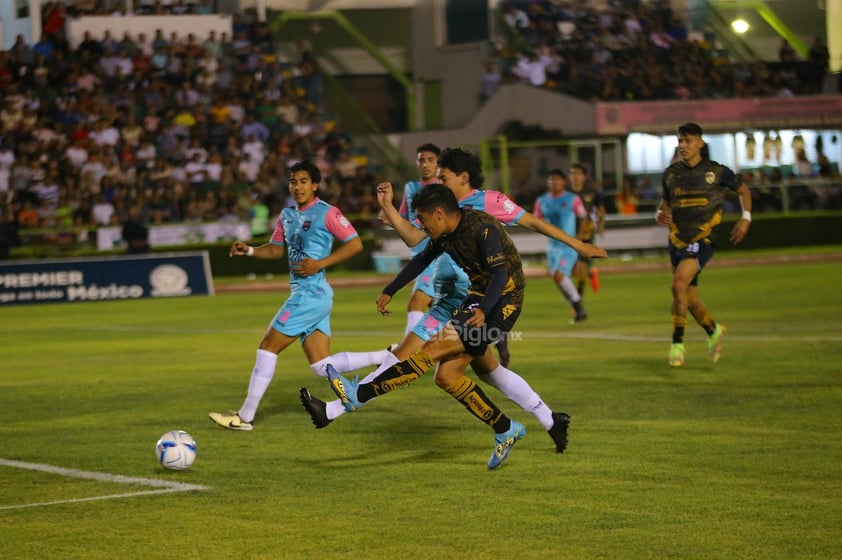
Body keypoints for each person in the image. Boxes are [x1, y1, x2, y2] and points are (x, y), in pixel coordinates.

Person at [302, 151, 607, 464]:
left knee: (424, 354)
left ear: (463, 178)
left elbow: (526, 229)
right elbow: (420, 248)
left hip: (495, 300)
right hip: (464, 298)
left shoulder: (485, 208)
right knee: (458, 375)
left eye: (443, 174)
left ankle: (348, 401)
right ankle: (530, 423)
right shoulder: (443, 218)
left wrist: (579, 245)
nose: (437, 177)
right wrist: (390, 278)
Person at [333, 183, 532, 469]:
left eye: (423, 219)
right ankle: (505, 428)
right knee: (447, 377)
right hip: (478, 300)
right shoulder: (447, 233)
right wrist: (391, 289)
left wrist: (485, 312)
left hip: (503, 302)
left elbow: (500, 275)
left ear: (439, 213)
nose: (422, 227)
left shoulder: (481, 228)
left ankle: (359, 395)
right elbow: (422, 259)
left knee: (430, 350)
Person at [209, 160, 363, 430]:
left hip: (310, 294)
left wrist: (320, 263)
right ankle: (390, 355)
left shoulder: (328, 213)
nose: (298, 186)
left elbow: (356, 244)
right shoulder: (287, 215)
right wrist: (251, 251)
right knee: (320, 364)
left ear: (315, 185)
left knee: (268, 346)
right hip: (311, 296)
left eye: (303, 181)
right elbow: (276, 249)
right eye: (293, 181)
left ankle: (245, 417)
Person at [396, 143, 510, 365]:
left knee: (420, 306)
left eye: (431, 160)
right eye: (421, 160)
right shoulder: (411, 189)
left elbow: (522, 221)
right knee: (473, 363)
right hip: (429, 258)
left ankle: (400, 356)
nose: (426, 165)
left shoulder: (459, 201)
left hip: (444, 262)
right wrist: (389, 211)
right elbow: (409, 227)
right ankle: (405, 355)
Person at [655, 123, 752, 367]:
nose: (682, 146)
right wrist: (659, 213)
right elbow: (665, 204)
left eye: (687, 141)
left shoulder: (717, 172)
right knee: (690, 298)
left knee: (677, 284)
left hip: (703, 238)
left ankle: (677, 344)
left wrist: (745, 218)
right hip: (677, 239)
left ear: (701, 143)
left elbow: (743, 190)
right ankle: (713, 331)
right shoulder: (671, 174)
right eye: (680, 141)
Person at [533, 169, 588, 322]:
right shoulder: (542, 201)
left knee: (559, 276)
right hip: (552, 247)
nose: (554, 182)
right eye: (551, 179)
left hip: (568, 245)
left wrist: (579, 239)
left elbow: (583, 217)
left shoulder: (572, 199)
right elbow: (536, 221)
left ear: (563, 182)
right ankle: (578, 311)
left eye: (557, 179)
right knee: (558, 280)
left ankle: (578, 306)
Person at [568, 163, 606, 317]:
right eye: (572, 173)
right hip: (569, 235)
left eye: (577, 173)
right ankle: (591, 273)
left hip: (586, 236)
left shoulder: (592, 193)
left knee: (580, 270)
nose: (575, 176)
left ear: (584, 177)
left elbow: (601, 209)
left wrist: (601, 224)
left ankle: (578, 303)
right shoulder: (566, 194)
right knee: (573, 272)